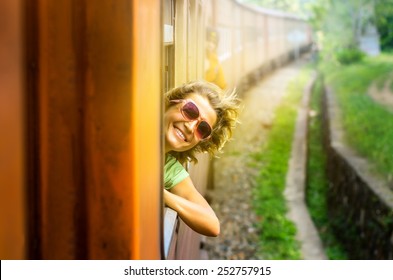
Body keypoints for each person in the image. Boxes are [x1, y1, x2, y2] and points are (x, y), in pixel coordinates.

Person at [163, 80, 240, 237]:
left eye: (202, 129)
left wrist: (160, 194)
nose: (191, 127)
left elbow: (212, 225)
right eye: (190, 111)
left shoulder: (169, 168)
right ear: (169, 103)